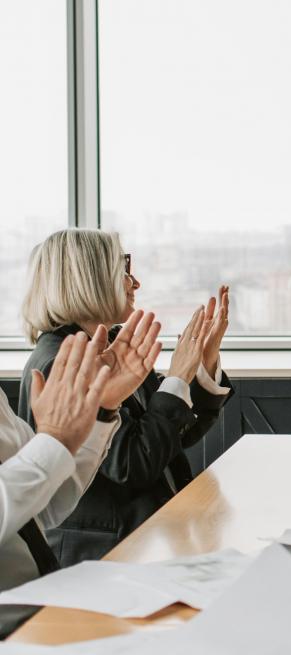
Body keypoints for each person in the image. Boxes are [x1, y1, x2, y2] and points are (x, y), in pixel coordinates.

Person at [18, 229, 234, 566]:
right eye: (123, 270)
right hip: (104, 557)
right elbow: (133, 463)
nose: (135, 283)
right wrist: (177, 377)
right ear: (89, 280)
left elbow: (171, 436)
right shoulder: (60, 361)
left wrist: (199, 367)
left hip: (151, 538)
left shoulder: (114, 342)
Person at [0, 311, 161, 635]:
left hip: (45, 606)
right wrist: (53, 441)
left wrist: (102, 409)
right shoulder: (50, 356)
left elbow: (43, 509)